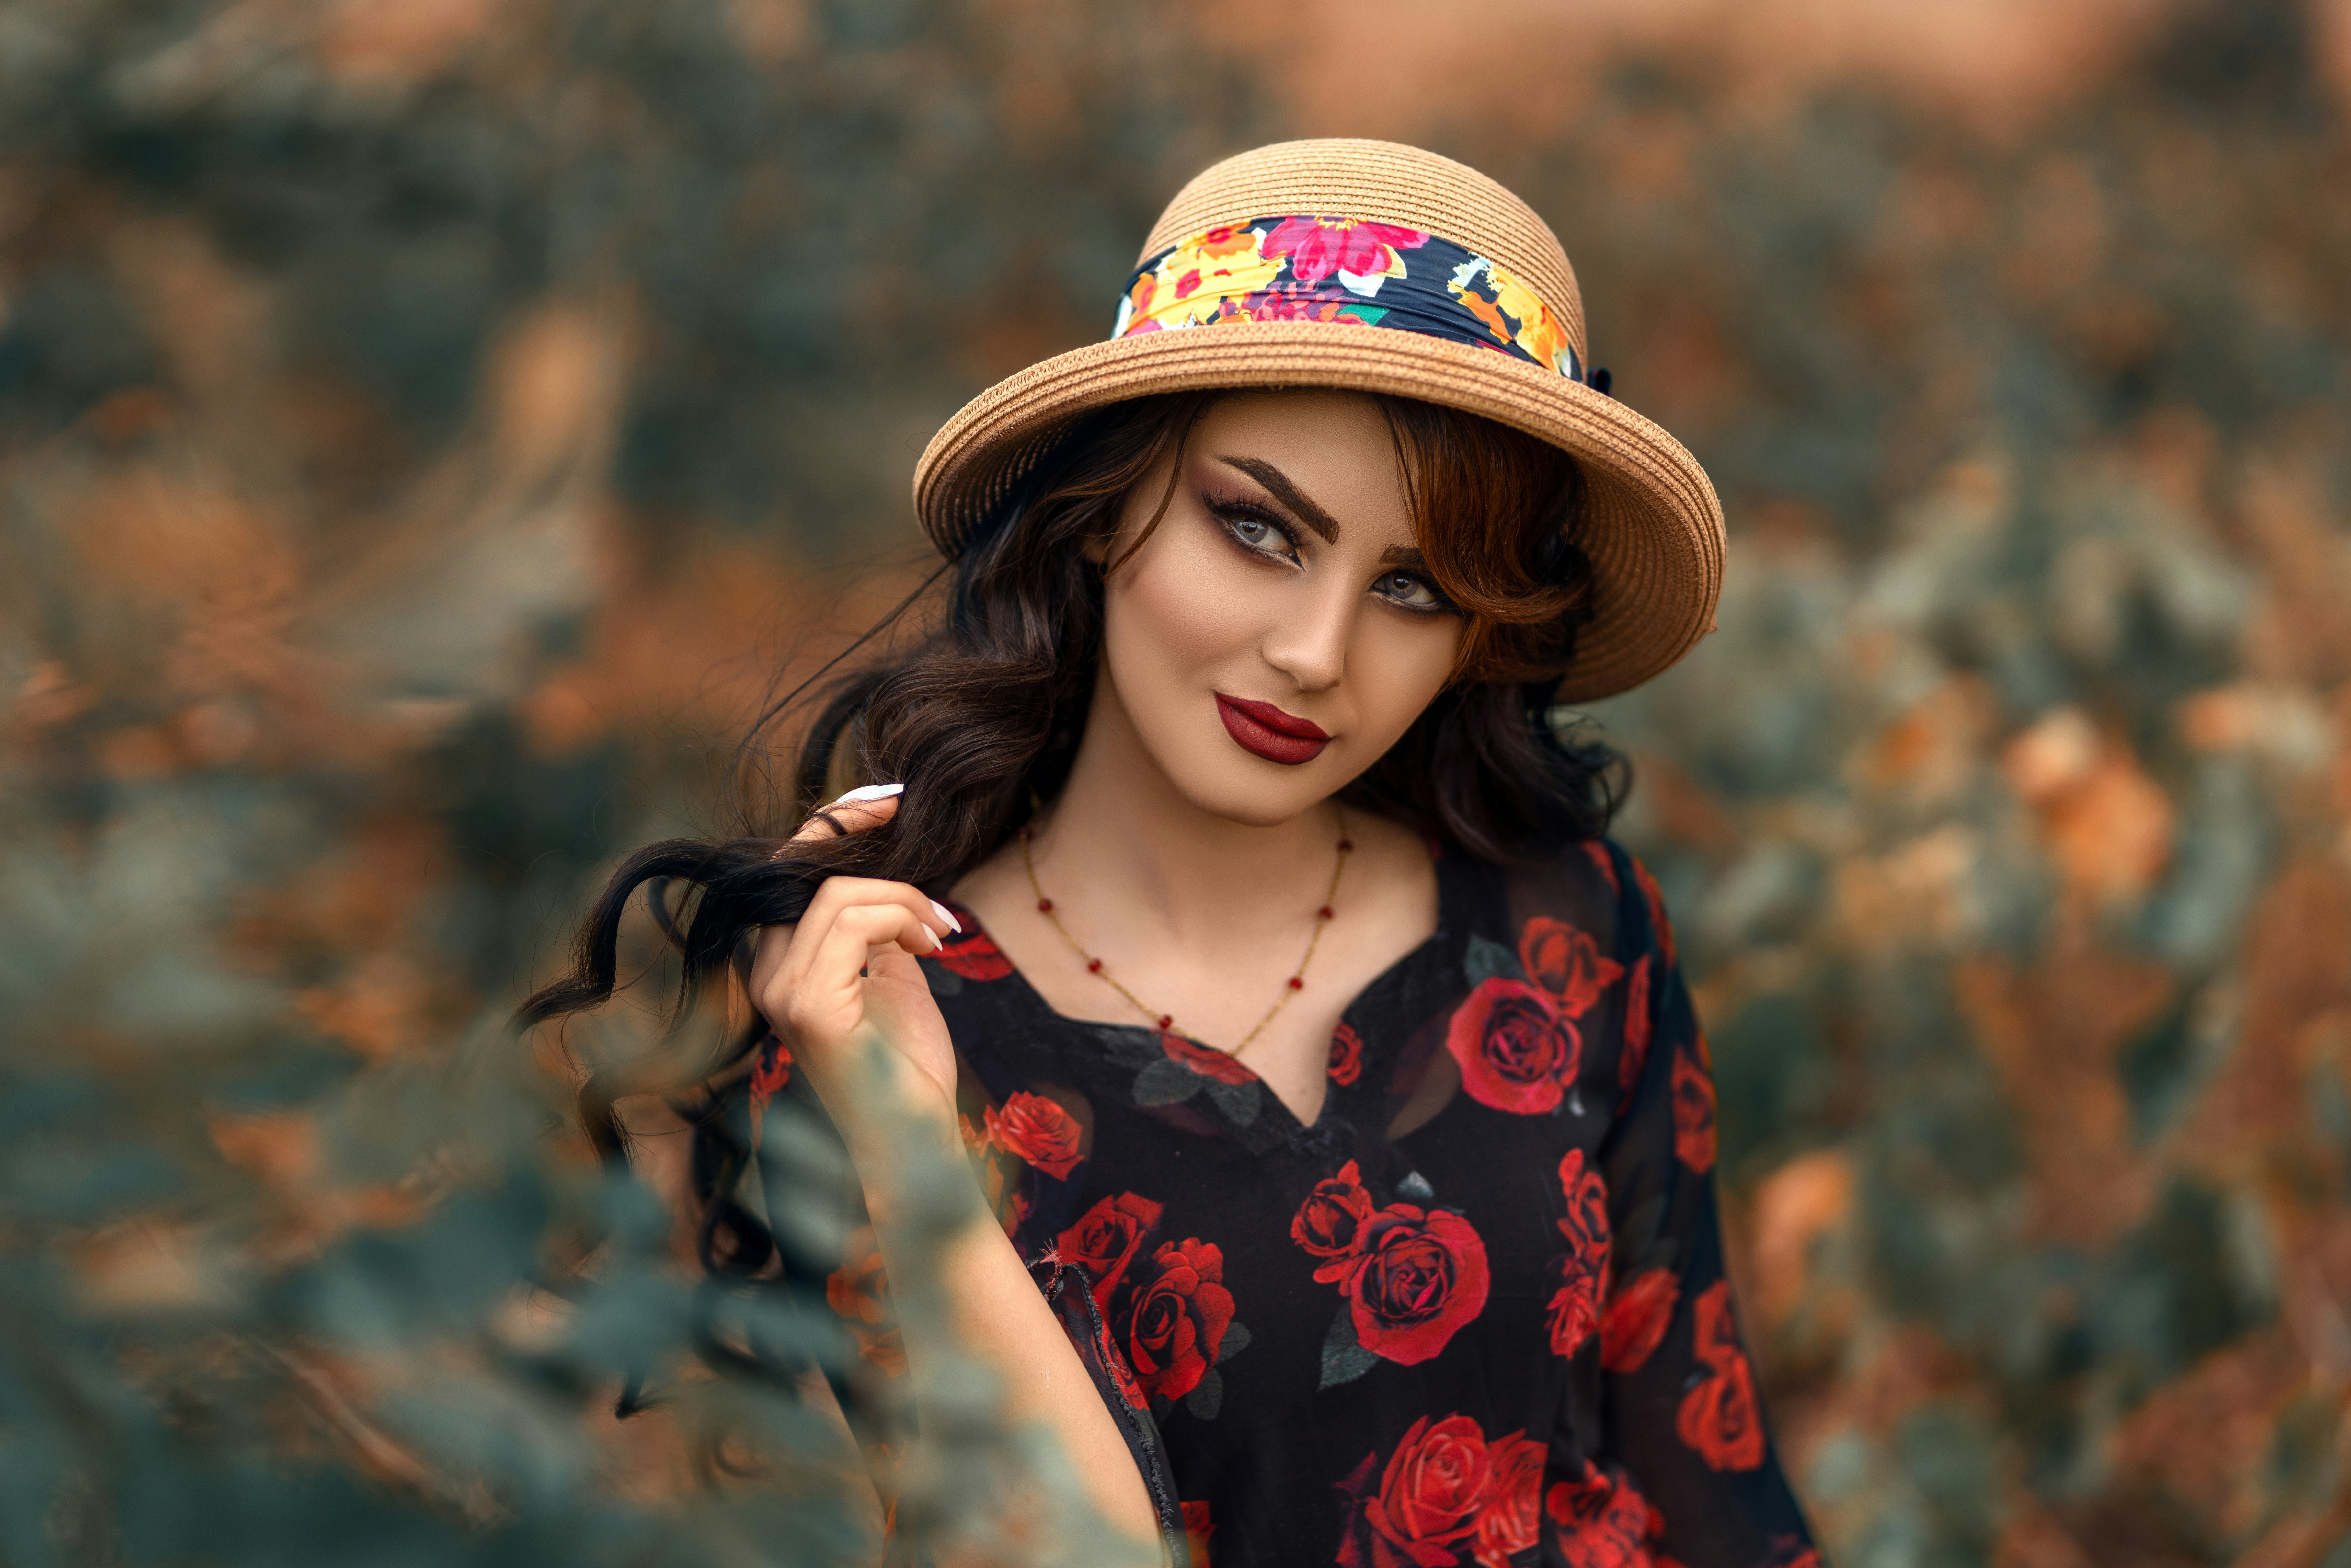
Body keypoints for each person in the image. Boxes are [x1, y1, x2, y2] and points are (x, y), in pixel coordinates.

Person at [526, 139, 1819, 1568]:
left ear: (1479, 637)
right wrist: (909, 1142)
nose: (1316, 652)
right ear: (1108, 509)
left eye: (1412, 586)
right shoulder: (878, 1014)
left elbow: (1718, 1494)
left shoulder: (1572, 929)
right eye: (1258, 528)